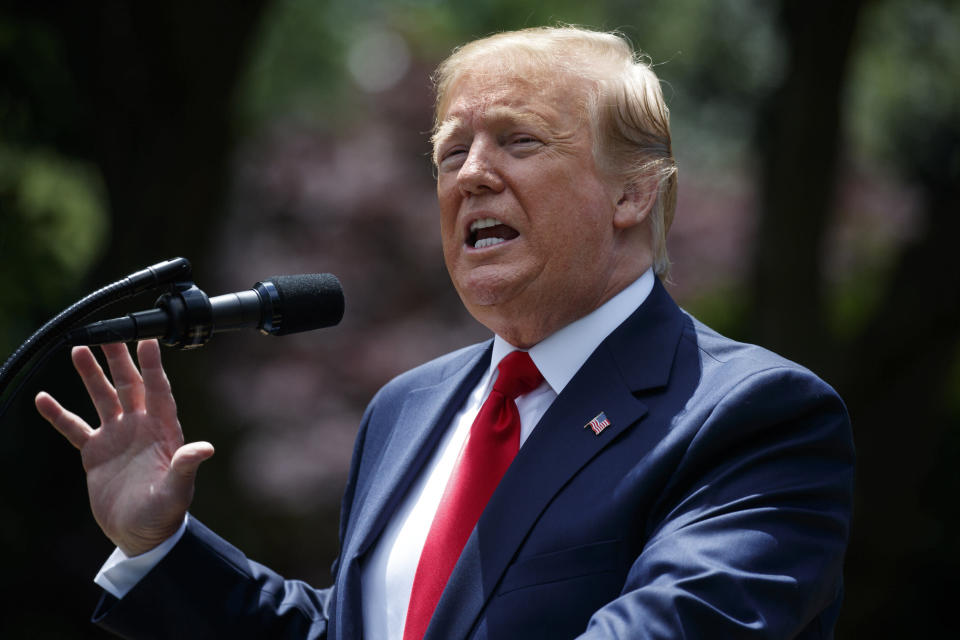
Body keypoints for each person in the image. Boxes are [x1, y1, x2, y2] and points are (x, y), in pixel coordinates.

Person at [35, 26, 854, 639]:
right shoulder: (407, 409)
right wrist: (161, 545)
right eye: (450, 151)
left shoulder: (752, 416)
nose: (471, 174)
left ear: (633, 192)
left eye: (519, 141)